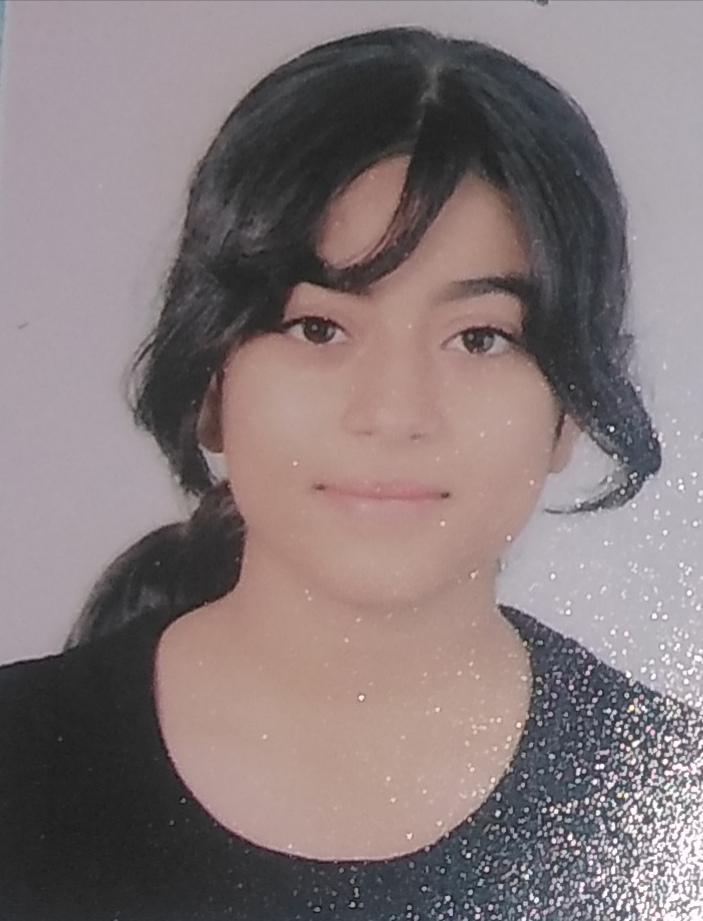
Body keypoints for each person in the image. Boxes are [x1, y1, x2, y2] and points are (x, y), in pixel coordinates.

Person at [1, 25, 702, 921]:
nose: (395, 411)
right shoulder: (22, 760)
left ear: (568, 407)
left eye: (478, 338)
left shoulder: (668, 792)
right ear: (210, 377)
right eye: (318, 328)